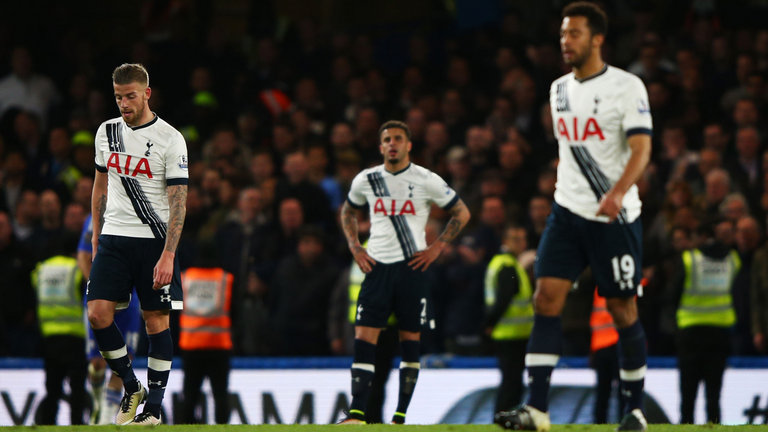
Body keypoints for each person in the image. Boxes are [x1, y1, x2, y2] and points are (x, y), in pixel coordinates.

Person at [496, 3, 653, 431]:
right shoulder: (558, 89)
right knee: (545, 299)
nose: (566, 41)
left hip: (614, 219)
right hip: (567, 214)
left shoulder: (627, 86)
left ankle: (634, 411)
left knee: (623, 310)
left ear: (597, 38)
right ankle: (538, 410)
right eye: (563, 34)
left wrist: (618, 193)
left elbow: (641, 149)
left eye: (575, 34)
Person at [337, 120, 471, 424]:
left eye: (398, 138)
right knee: (363, 338)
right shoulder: (366, 179)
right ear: (380, 146)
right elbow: (348, 210)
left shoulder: (426, 179)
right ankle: (357, 412)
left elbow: (462, 212)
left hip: (412, 269)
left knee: (410, 341)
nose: (392, 144)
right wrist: (355, 247)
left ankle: (400, 416)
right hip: (377, 268)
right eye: (387, 140)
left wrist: (436, 248)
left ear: (409, 145)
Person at [86, 63, 188, 425]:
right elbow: (100, 186)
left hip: (154, 241)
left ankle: (154, 409)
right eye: (118, 97)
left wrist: (169, 255)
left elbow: (178, 201)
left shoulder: (170, 139)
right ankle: (132, 386)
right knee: (97, 313)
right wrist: (97, 237)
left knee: (155, 321)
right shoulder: (106, 132)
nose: (124, 103)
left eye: (130, 96)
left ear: (147, 93)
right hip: (114, 237)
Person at [668, 220, 739, 424]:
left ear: (698, 237)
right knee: (714, 395)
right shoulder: (732, 259)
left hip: (690, 333)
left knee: (688, 395)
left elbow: (671, 295)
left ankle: (686, 427)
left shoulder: (690, 259)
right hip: (720, 333)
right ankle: (714, 427)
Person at [77, 214, 142, 424]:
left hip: (129, 299)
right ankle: (97, 401)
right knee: (97, 363)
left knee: (124, 360)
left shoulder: (137, 213)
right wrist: (98, 287)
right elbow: (83, 255)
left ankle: (105, 417)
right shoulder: (95, 218)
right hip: (101, 299)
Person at [31, 235, 87, 425]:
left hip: (49, 337)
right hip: (74, 336)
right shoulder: (76, 269)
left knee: (52, 389)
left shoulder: (41, 270)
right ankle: (77, 425)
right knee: (77, 388)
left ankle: (48, 425)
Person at [484, 225, 534, 419]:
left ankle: (505, 417)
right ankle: (504, 418)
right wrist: (489, 324)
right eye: (516, 238)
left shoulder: (505, 263)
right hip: (511, 334)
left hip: (511, 333)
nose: (521, 243)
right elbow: (503, 299)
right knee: (511, 382)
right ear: (505, 241)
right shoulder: (507, 265)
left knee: (511, 381)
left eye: (523, 238)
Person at [179, 252, 234, 424]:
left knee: (190, 395)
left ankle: (187, 427)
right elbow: (235, 311)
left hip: (191, 345)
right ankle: (222, 427)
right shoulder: (225, 278)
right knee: (220, 394)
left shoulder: (185, 277)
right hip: (219, 345)